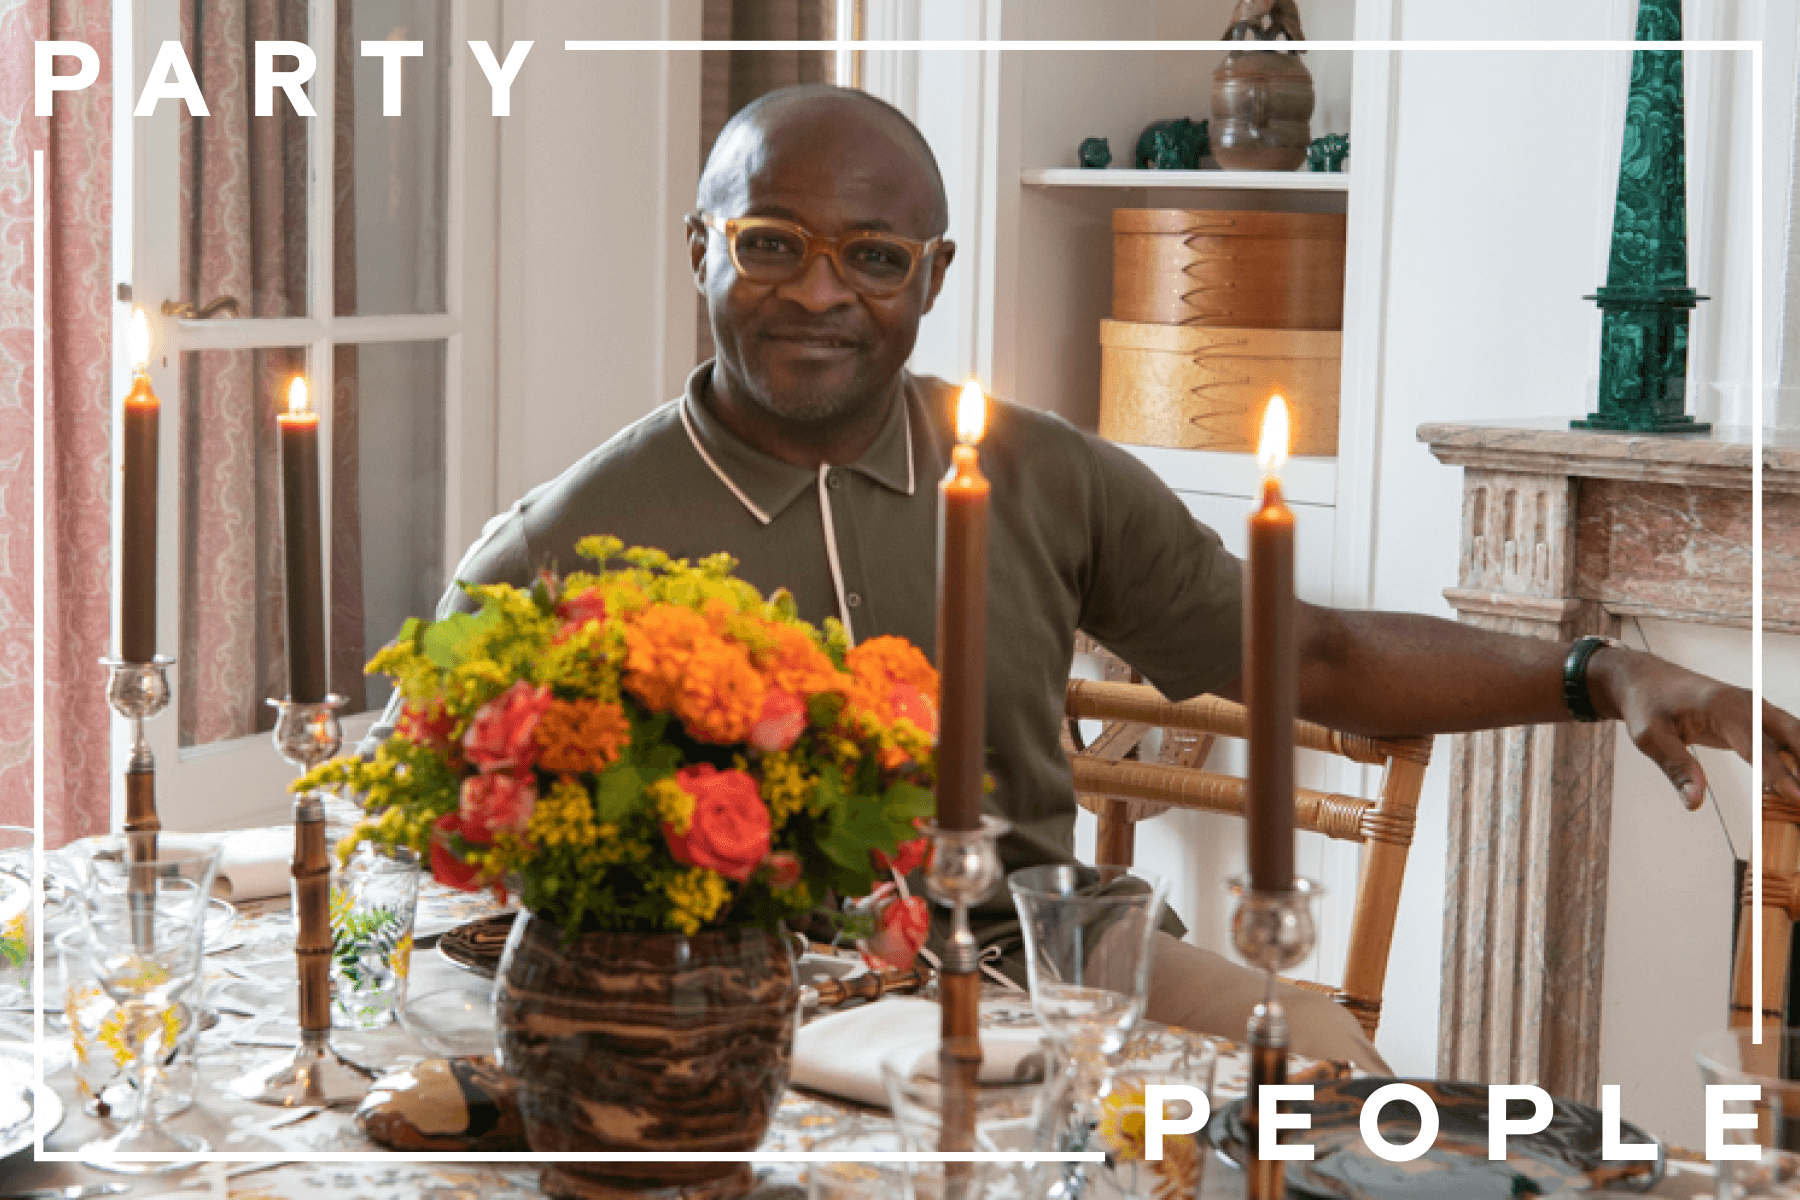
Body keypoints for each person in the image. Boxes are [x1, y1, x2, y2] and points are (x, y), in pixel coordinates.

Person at [372, 84, 1800, 1068]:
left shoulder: (1039, 474)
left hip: (1049, 956)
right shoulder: (571, 539)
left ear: (929, 276)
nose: (820, 292)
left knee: (1325, 1069)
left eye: (871, 257)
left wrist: (1595, 669)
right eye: (770, 245)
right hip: (723, 1002)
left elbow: (1306, 659)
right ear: (703, 249)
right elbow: (432, 834)